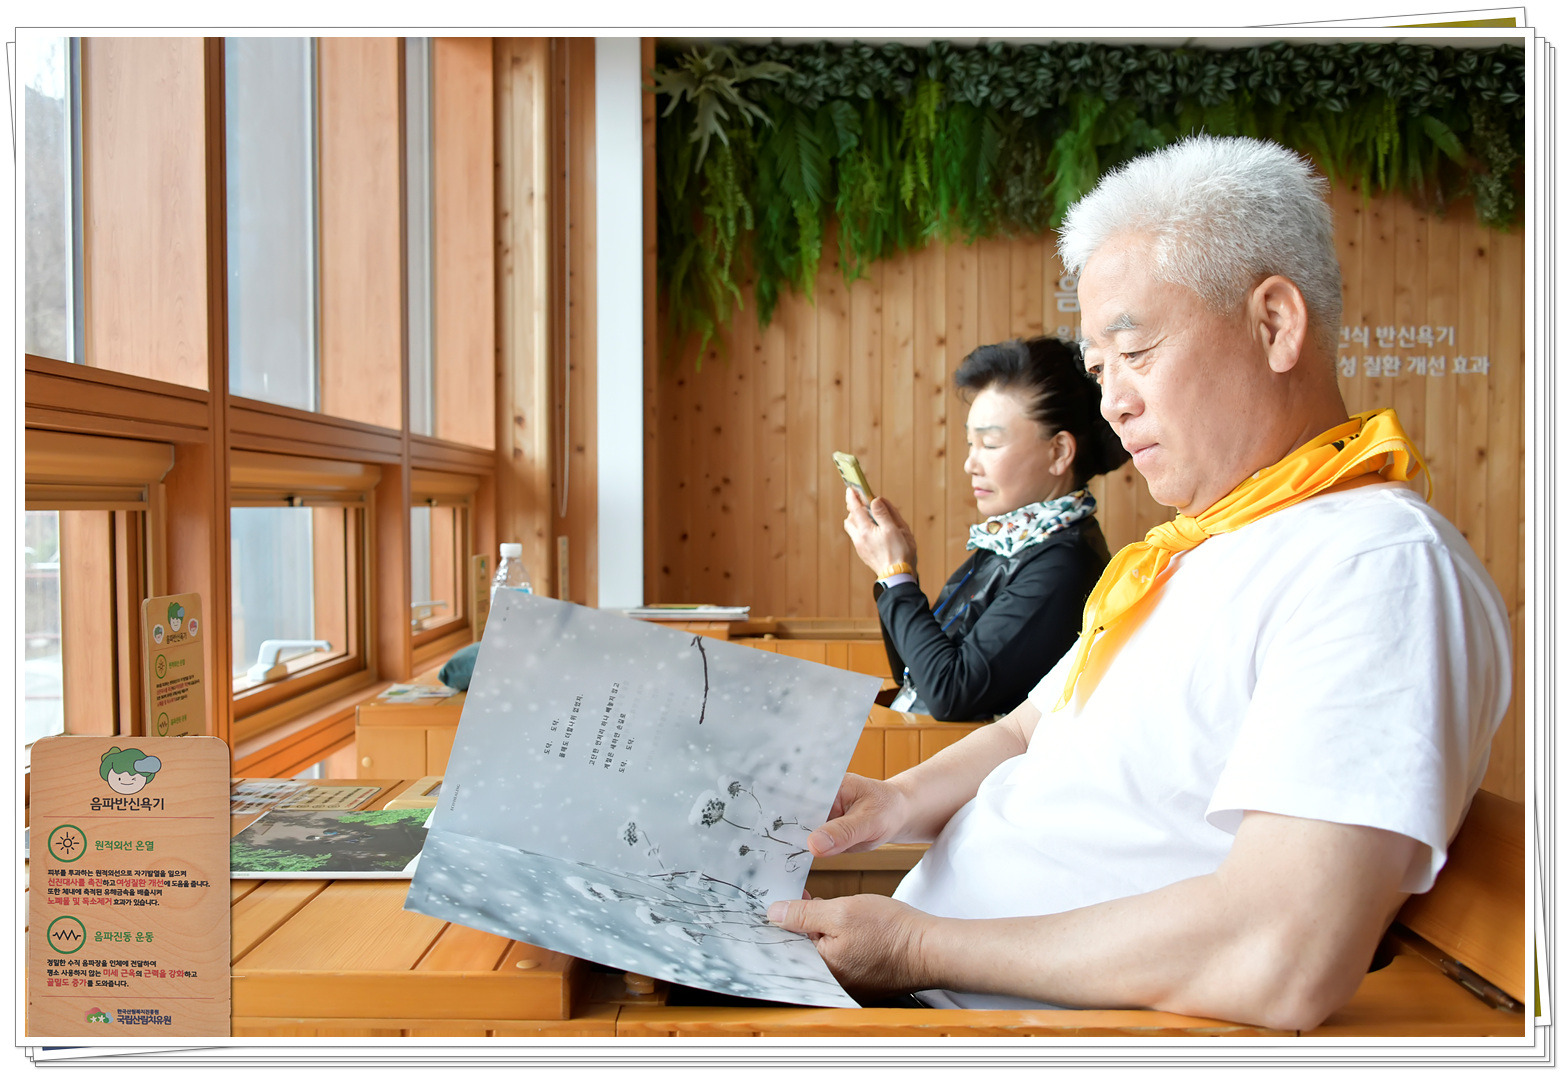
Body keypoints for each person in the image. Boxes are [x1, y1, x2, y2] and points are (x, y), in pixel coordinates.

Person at [768, 135, 1511, 1030]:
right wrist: (894, 802)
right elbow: (1024, 733)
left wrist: (919, 947)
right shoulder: (1191, 550)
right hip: (930, 992)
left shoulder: (1376, 565)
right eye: (1099, 369)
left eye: (1138, 351)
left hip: (999, 1023)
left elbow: (1281, 951)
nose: (1113, 402)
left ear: (1275, 324)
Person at [844, 336, 1129, 722]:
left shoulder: (1063, 563)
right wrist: (899, 571)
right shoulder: (1014, 540)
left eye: (990, 444)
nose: (970, 464)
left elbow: (950, 695)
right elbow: (914, 675)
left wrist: (895, 576)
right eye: (970, 443)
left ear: (1059, 452)